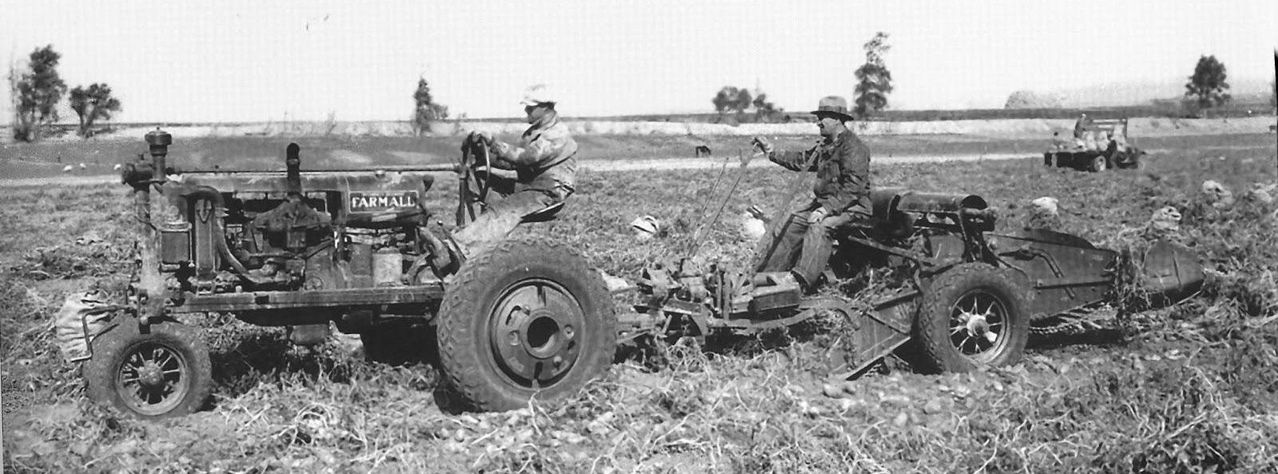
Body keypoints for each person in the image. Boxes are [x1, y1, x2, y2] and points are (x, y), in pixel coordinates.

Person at [750, 96, 872, 292]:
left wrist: (826, 209)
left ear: (838, 120)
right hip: (827, 204)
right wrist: (771, 152)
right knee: (791, 223)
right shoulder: (826, 145)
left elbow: (854, 187)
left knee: (819, 226)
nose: (818, 122)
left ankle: (801, 282)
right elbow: (802, 160)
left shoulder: (854, 148)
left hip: (853, 207)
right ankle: (764, 279)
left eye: (823, 117)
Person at [451, 84, 579, 256]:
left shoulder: (557, 133)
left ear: (545, 107)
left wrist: (493, 142)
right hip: (530, 185)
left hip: (549, 190)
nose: (526, 109)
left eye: (531, 107)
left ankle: (462, 247)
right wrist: (481, 155)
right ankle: (475, 232)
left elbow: (525, 158)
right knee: (480, 177)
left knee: (505, 209)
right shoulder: (533, 133)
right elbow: (513, 163)